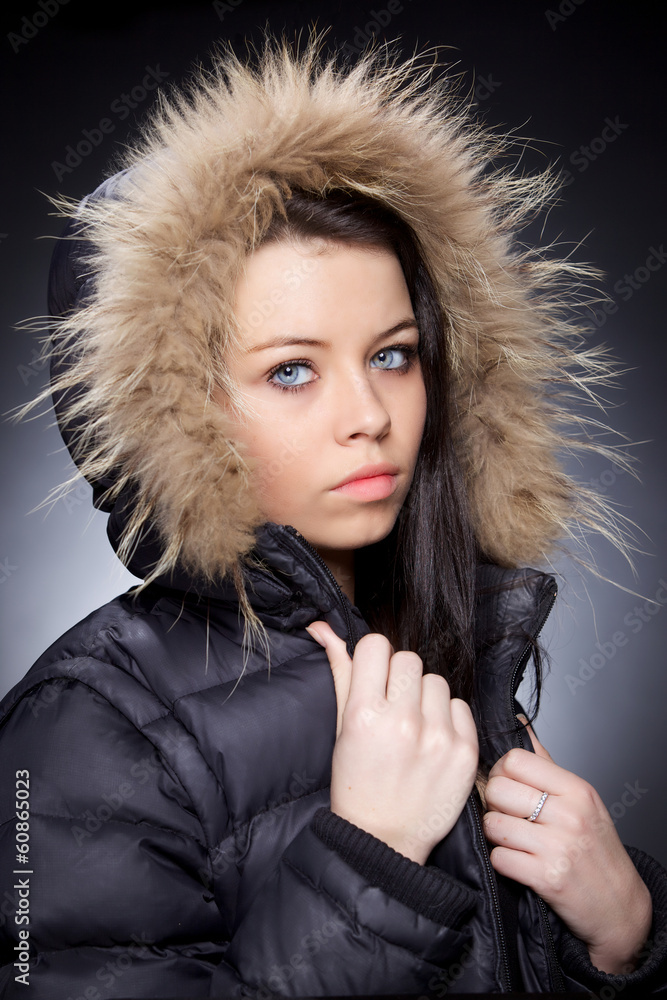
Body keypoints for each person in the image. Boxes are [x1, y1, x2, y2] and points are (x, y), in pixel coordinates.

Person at [1, 27, 665, 997]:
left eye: (393, 354)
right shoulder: (79, 733)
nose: (369, 417)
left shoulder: (444, 635)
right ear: (176, 412)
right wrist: (371, 859)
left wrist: (623, 936)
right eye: (291, 370)